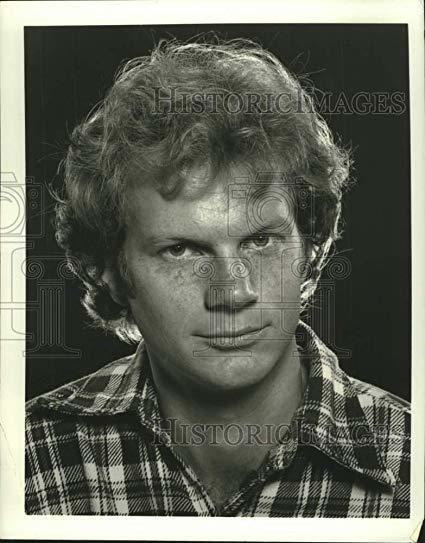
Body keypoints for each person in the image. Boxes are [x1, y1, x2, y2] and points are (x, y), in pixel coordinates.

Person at [25, 38, 410, 517]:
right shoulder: (30, 458)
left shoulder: (409, 464)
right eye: (182, 250)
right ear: (110, 272)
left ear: (313, 247)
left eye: (260, 241)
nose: (234, 292)